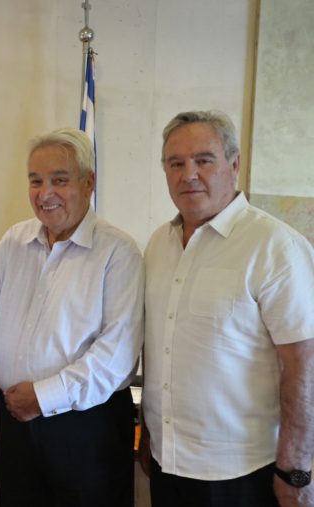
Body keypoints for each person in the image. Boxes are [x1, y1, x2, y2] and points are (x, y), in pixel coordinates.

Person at [0, 128, 143, 506]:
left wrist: (43, 398)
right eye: (35, 181)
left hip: (87, 428)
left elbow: (116, 355)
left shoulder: (118, 252)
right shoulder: (15, 240)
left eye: (59, 180)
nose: (45, 194)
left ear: (88, 182)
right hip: (14, 421)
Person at [139, 110, 314, 507]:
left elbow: (305, 364)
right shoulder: (158, 245)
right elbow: (157, 342)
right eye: (175, 163)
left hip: (241, 473)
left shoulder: (276, 247)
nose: (189, 174)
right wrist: (150, 433)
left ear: (234, 165)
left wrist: (296, 469)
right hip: (167, 463)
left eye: (203, 160)